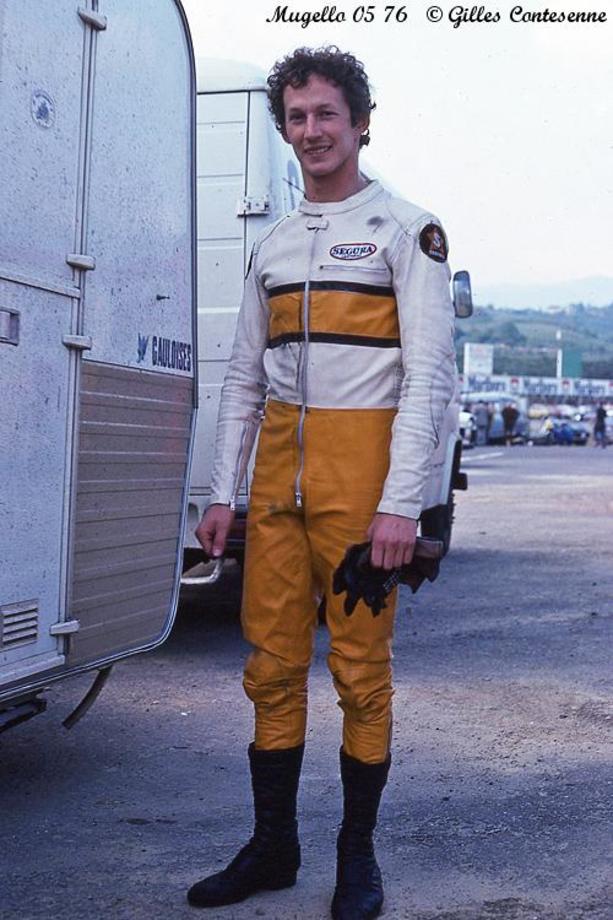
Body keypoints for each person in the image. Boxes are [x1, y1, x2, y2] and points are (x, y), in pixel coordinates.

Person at [187, 45, 457, 920]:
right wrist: (220, 493)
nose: (311, 131)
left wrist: (402, 506)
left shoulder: (405, 230)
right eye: (296, 117)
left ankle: (355, 857)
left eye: (326, 114)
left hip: (361, 487)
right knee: (268, 669)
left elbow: (429, 380)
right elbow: (241, 379)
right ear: (285, 128)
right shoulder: (271, 244)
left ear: (360, 123)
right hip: (276, 489)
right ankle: (273, 848)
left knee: (359, 674)